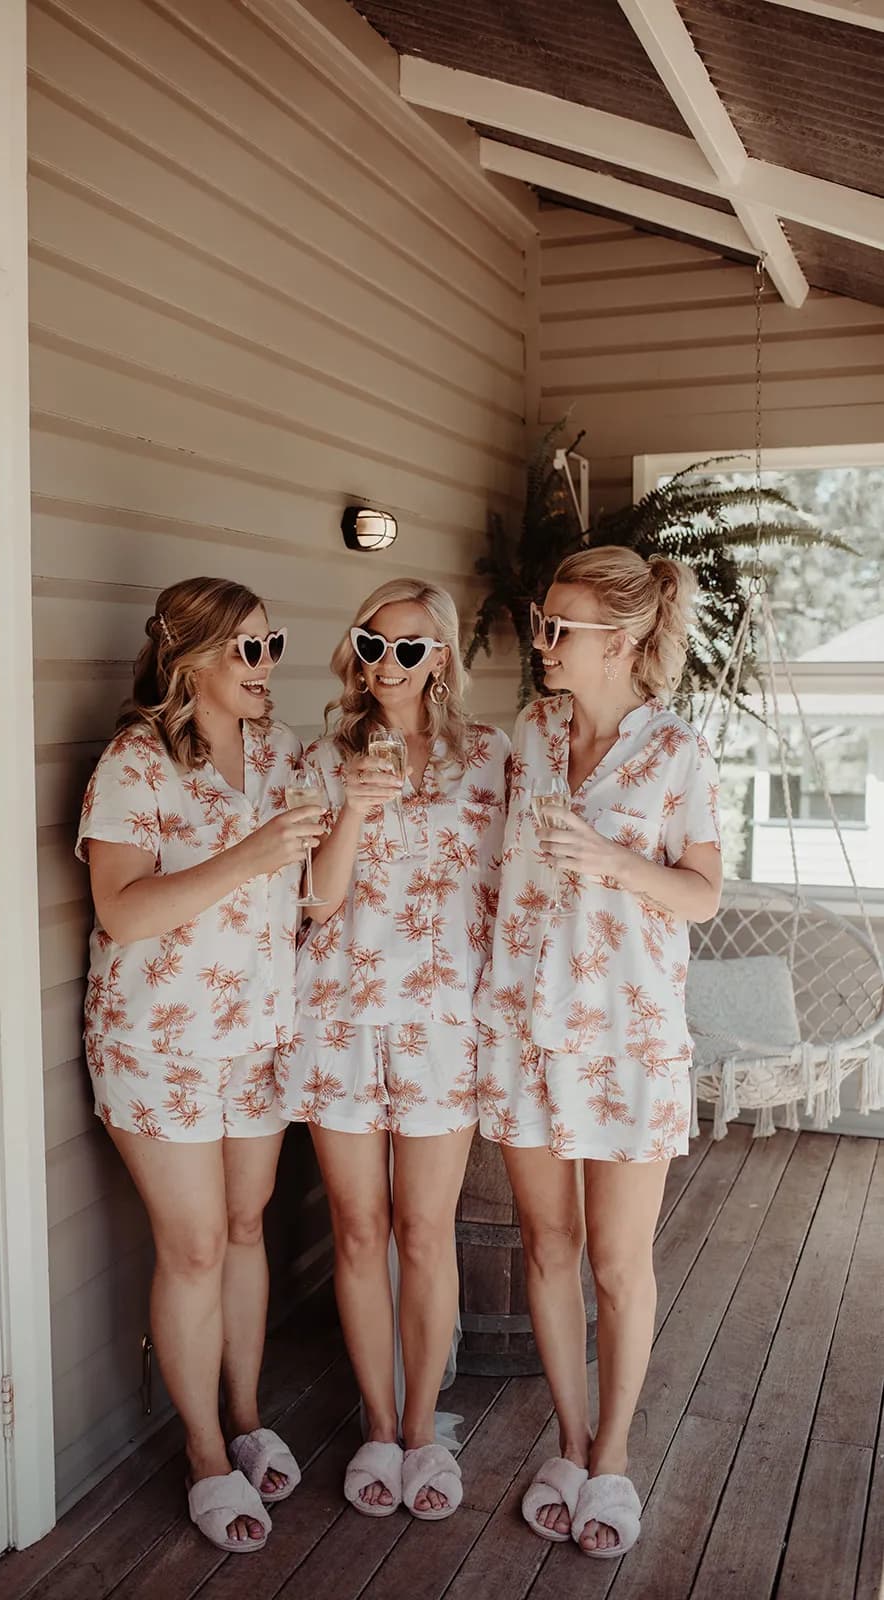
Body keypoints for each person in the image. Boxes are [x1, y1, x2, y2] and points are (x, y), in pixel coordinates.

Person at [475, 547, 722, 1560]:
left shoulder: (677, 753)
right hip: (526, 1031)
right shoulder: (528, 737)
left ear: (618, 642)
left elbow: (703, 893)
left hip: (627, 1037)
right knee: (547, 1247)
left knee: (619, 1264)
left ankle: (613, 1459)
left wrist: (612, 861)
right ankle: (570, 1445)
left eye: (559, 627)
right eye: (542, 622)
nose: (542, 640)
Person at [76, 577, 324, 1555]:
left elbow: (314, 884)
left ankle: (248, 1416)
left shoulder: (282, 752)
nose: (267, 665)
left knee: (245, 1224)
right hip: (158, 1041)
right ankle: (204, 1452)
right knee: (190, 1247)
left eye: (273, 643)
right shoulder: (134, 763)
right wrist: (250, 856)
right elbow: (121, 909)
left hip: (258, 1034)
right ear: (191, 662)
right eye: (247, 649)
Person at [277, 579, 509, 1523]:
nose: (387, 664)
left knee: (424, 1231)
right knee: (358, 1229)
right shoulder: (322, 757)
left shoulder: (490, 758)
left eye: (409, 648)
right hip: (339, 1017)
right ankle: (378, 1427)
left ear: (440, 657)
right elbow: (316, 900)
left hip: (442, 1025)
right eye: (373, 644)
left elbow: (513, 886)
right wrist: (356, 811)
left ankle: (424, 1431)